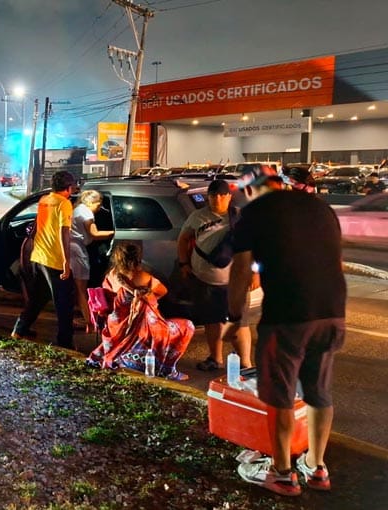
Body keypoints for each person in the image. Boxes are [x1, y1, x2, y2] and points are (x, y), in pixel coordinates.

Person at [230, 166, 346, 496]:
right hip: (331, 312)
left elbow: (241, 269)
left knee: (279, 395)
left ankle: (281, 474)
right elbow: (335, 260)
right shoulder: (320, 208)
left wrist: (233, 315)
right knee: (318, 391)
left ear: (249, 190)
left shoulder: (254, 213)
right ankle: (316, 466)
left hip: (287, 315)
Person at [86, 243, 194, 380]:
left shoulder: (110, 275)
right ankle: (167, 370)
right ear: (137, 259)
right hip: (140, 331)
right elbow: (163, 291)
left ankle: (125, 358)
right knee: (187, 326)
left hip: (115, 329)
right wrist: (147, 300)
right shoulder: (143, 277)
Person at [177, 179, 252, 371]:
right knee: (211, 320)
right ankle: (215, 358)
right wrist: (184, 263)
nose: (216, 199)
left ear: (228, 196)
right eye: (212, 196)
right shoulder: (197, 216)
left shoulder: (240, 218)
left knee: (240, 322)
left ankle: (245, 363)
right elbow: (183, 240)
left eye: (221, 195)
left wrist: (254, 273)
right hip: (205, 279)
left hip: (235, 281)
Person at [11, 170, 78, 349]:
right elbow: (65, 233)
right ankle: (65, 342)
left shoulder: (44, 200)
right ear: (69, 188)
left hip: (38, 257)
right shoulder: (64, 204)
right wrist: (66, 262)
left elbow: (36, 228)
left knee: (38, 298)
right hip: (54, 260)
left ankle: (20, 329)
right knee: (64, 302)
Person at [70, 190, 114, 333]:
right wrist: (115, 232)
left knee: (76, 287)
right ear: (91, 202)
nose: (99, 208)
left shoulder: (77, 210)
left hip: (72, 248)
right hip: (77, 250)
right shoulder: (87, 213)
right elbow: (94, 234)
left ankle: (82, 318)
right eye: (99, 205)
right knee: (81, 288)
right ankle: (89, 322)